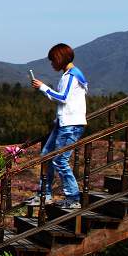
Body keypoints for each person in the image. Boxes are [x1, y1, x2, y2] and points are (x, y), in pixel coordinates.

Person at [31, 43, 88, 210]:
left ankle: (73, 197)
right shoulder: (69, 75)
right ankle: (45, 194)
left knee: (60, 160)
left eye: (52, 60)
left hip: (70, 125)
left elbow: (63, 97)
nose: (52, 64)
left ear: (59, 58)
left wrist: (43, 87)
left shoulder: (71, 76)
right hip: (63, 123)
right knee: (46, 155)